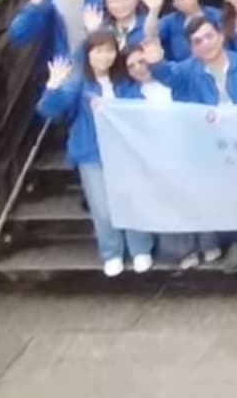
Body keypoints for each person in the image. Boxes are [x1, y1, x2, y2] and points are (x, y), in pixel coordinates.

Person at [38, 32, 155, 277]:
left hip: (125, 152)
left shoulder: (125, 82)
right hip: (91, 152)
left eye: (109, 50)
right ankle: (111, 252)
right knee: (102, 207)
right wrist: (53, 86)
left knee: (132, 201)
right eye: (98, 51)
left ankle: (140, 247)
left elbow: (139, 108)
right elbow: (50, 110)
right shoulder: (78, 81)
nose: (105, 56)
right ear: (87, 54)